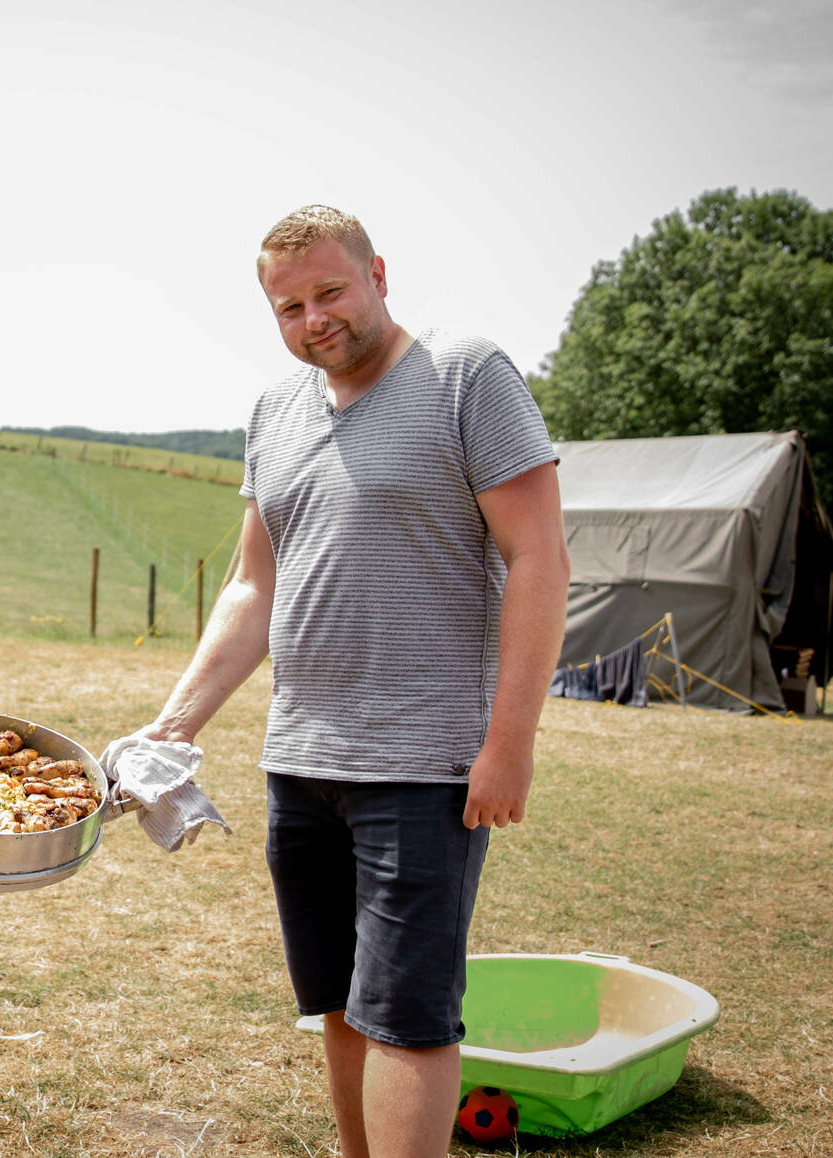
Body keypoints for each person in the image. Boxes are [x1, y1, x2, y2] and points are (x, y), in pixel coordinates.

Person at [129, 206, 569, 1158]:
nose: (312, 320)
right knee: (339, 1003)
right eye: (287, 307)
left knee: (409, 1017)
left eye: (329, 292)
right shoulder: (274, 412)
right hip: (300, 762)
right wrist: (175, 724)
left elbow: (540, 559)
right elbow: (254, 583)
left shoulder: (465, 375)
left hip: (424, 762)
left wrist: (511, 743)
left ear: (377, 272)